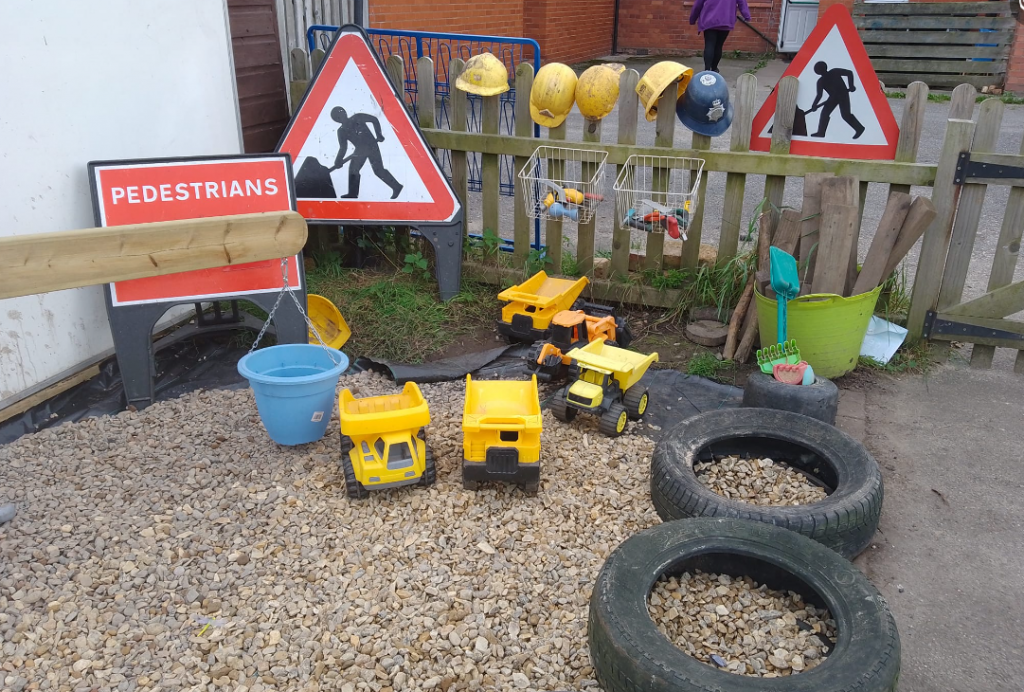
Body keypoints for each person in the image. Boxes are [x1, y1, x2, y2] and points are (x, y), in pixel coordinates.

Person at [327, 107, 403, 200]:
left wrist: (378, 134)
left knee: (378, 170)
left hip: (372, 146)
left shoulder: (357, 117)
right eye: (338, 116)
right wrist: (338, 160)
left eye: (342, 113)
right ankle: (352, 193)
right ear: (337, 120)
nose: (342, 116)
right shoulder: (341, 131)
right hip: (360, 150)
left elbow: (374, 120)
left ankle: (397, 187)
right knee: (353, 170)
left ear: (345, 113)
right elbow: (343, 147)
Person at [689, 0, 751, 74]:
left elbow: (698, 4)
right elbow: (742, 3)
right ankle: (714, 69)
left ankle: (707, 70)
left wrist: (692, 19)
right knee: (718, 46)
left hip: (709, 20)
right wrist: (747, 16)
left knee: (709, 44)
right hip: (725, 20)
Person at [807, 61, 865, 139]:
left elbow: (849, 73)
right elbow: (819, 95)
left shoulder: (834, 72)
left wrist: (851, 85)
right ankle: (821, 132)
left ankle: (859, 128)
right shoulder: (820, 81)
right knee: (824, 113)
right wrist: (814, 105)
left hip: (843, 94)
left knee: (845, 115)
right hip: (832, 98)